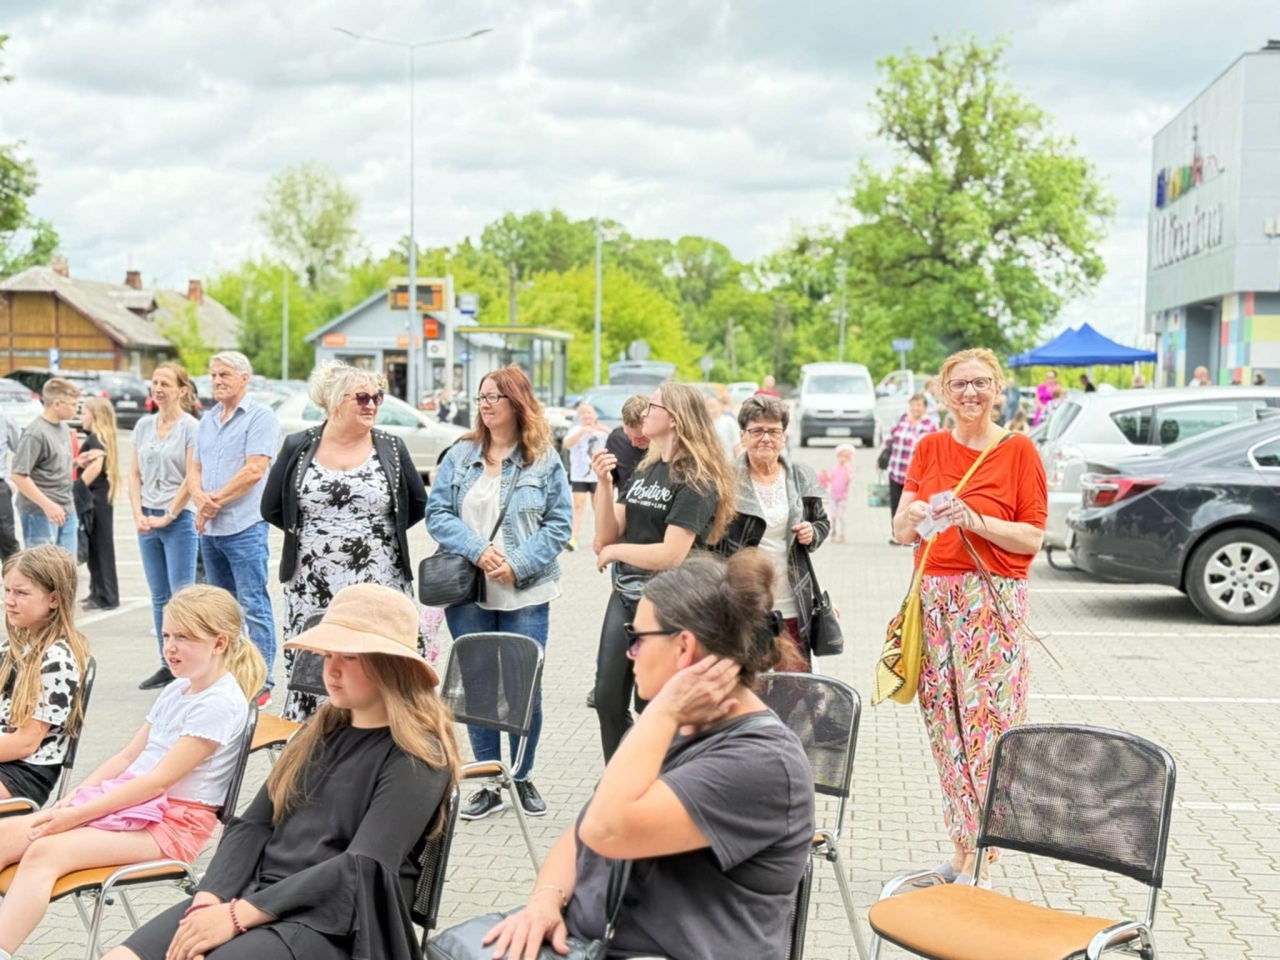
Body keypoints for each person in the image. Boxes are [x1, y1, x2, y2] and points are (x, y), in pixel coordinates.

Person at [476, 551, 814, 960]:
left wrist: (662, 712)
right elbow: (585, 827)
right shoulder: (677, 725)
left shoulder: (762, 762)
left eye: (636, 638)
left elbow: (607, 830)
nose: (629, 652)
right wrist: (545, 903)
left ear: (683, 647)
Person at [102, 583, 459, 960]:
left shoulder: (418, 755)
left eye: (350, 658)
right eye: (327, 655)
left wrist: (240, 915)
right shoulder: (318, 732)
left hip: (333, 920)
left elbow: (361, 866)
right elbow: (253, 824)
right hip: (255, 894)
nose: (331, 670)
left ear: (392, 664)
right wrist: (209, 899)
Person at [0, 582, 264, 958]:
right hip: (129, 805)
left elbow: (158, 781)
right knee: (5, 834)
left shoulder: (220, 703)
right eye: (167, 634)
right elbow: (126, 758)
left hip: (171, 825)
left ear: (219, 643)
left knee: (46, 851)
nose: (170, 647)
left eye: (184, 638)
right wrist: (71, 801)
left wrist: (77, 815)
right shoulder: (179, 688)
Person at [891, 348, 1047, 886]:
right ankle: (960, 849)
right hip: (932, 598)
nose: (969, 394)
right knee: (946, 728)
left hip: (990, 600)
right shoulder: (929, 446)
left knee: (990, 729)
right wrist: (914, 513)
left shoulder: (1019, 449)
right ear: (943, 391)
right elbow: (899, 531)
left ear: (998, 390)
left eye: (981, 383)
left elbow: (1033, 536)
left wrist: (974, 519)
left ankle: (986, 852)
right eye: (958, 385)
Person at [426, 365, 571, 820]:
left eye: (495, 397)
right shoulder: (460, 454)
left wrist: (518, 563)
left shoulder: (543, 458)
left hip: (525, 592)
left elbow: (559, 523)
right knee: (479, 686)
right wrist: (480, 550)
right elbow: (438, 515)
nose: (486, 404)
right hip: (468, 590)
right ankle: (488, 780)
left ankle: (521, 776)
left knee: (525, 686)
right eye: (482, 397)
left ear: (517, 402)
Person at [262, 361, 428, 723]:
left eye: (378, 397)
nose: (372, 405)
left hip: (378, 580)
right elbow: (272, 506)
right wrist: (320, 537)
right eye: (363, 397)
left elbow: (416, 504)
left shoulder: (391, 447)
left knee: (376, 664)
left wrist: (371, 539)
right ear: (336, 402)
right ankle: (314, 747)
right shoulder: (298, 445)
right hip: (311, 583)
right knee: (319, 665)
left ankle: (382, 739)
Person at [589, 381, 735, 761]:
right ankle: (619, 778)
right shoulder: (648, 466)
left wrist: (618, 550)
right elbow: (606, 535)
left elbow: (672, 554)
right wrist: (603, 486)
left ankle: (660, 781)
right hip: (627, 595)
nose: (643, 414)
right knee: (606, 698)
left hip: (672, 607)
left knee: (651, 702)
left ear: (675, 419)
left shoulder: (698, 479)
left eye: (652, 407)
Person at [188, 352, 280, 706]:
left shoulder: (261, 418)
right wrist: (199, 498)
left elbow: (255, 469)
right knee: (220, 610)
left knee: (253, 605)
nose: (217, 381)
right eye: (213, 375)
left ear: (245, 378)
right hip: (212, 528)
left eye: (224, 374)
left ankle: (261, 682)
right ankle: (226, 677)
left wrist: (215, 501)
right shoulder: (208, 420)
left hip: (244, 526)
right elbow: (194, 466)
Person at [716, 396, 829, 670]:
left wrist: (811, 532)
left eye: (773, 431)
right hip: (744, 602)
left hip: (792, 600)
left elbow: (822, 522)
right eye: (756, 431)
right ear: (742, 436)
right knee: (749, 685)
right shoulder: (725, 479)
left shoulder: (800, 477)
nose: (765, 438)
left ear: (784, 436)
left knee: (796, 689)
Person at [0, 546, 88, 806]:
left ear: (54, 599)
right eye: (7, 591)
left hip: (23, 772)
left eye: (21, 593)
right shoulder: (12, 646)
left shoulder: (57, 659)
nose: (9, 601)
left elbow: (26, 743)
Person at [131, 362, 201, 691]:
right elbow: (133, 474)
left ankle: (191, 666)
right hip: (147, 517)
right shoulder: (144, 426)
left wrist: (169, 515)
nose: (157, 388)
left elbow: (191, 476)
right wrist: (138, 514)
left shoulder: (190, 427)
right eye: (154, 382)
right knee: (159, 596)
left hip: (178, 518)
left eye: (165, 383)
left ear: (181, 390)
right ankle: (166, 664)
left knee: (181, 596)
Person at [10, 378, 80, 552]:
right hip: (40, 513)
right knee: (43, 571)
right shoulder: (35, 433)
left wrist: (77, 463)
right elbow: (18, 475)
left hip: (66, 508)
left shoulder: (64, 428)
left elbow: (52, 468)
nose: (76, 408)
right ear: (57, 404)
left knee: (66, 569)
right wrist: (48, 505)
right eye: (73, 404)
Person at [76, 397, 120, 611]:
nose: (81, 417)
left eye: (84, 413)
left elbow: (95, 467)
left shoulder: (96, 439)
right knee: (97, 547)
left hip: (95, 497)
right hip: (101, 497)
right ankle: (98, 591)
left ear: (95, 416)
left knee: (99, 547)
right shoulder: (102, 438)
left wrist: (78, 486)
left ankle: (106, 595)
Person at [886, 393, 939, 543]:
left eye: (919, 405)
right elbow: (890, 440)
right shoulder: (901, 419)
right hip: (897, 469)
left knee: (915, 505)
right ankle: (896, 534)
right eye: (913, 404)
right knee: (896, 504)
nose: (915, 408)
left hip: (918, 475)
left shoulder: (930, 425)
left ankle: (914, 535)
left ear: (925, 407)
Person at [562, 403, 610, 551]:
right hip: (579, 475)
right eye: (583, 414)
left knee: (599, 507)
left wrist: (602, 428)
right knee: (578, 506)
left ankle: (602, 537)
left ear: (595, 415)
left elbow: (618, 437)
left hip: (597, 475)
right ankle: (574, 537)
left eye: (590, 413)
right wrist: (582, 431)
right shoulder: (576, 430)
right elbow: (567, 444)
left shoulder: (602, 431)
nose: (587, 416)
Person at [603, 395, 649, 493]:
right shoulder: (617, 439)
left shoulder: (667, 445)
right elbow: (608, 484)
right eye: (628, 436)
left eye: (641, 438)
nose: (633, 443)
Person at [0, 412, 22, 561]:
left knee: (6, 536)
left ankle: (14, 579)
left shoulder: (5, 419)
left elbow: (22, 450)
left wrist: (12, 478)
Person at [823, 443, 855, 543]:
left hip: (842, 497)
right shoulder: (834, 468)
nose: (843, 459)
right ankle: (833, 532)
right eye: (842, 456)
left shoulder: (849, 469)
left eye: (846, 457)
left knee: (841, 516)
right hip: (833, 495)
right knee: (833, 515)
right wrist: (825, 476)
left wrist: (846, 469)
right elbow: (830, 479)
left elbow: (849, 480)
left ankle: (841, 534)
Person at [706, 394, 739, 460]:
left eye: (713, 406)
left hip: (728, 462)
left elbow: (737, 445)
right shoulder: (704, 424)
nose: (711, 410)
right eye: (708, 406)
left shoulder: (729, 421)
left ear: (720, 406)